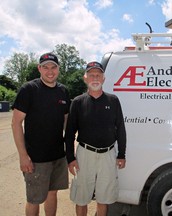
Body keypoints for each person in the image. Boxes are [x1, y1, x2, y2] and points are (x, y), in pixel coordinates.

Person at [11, 52, 70, 216]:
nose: (50, 71)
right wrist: (23, 156)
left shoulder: (63, 91)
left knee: (52, 193)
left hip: (58, 156)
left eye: (53, 67)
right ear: (39, 68)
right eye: (45, 67)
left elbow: (66, 121)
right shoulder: (29, 89)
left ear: (59, 69)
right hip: (36, 159)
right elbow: (16, 123)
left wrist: (70, 151)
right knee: (34, 199)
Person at [65, 61, 126, 216]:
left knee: (104, 196)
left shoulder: (113, 100)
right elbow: (70, 132)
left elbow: (121, 129)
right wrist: (70, 158)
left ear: (104, 78)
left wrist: (121, 154)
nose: (95, 78)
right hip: (85, 154)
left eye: (98, 75)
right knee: (81, 196)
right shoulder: (78, 102)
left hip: (108, 154)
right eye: (91, 75)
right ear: (85, 78)